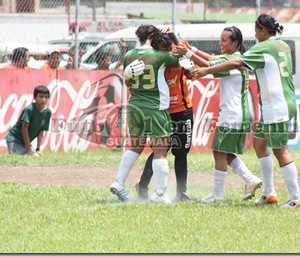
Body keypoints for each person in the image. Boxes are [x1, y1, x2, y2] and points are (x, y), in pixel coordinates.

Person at [190, 14, 300, 208]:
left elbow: (237, 63)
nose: (255, 35)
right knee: (259, 144)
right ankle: (269, 193)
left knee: (281, 151)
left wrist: (205, 71)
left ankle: (296, 198)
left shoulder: (263, 47)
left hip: (277, 106)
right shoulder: (283, 45)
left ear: (263, 30)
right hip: (278, 104)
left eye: (256, 31)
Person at [176, 26, 262, 203]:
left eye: (224, 40)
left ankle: (218, 195)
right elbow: (212, 58)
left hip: (232, 113)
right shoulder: (234, 58)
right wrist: (190, 49)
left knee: (219, 151)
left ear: (235, 43)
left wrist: (187, 54)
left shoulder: (233, 61)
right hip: (238, 113)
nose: (220, 43)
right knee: (225, 152)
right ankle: (250, 179)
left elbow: (208, 65)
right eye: (220, 40)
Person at [109, 24, 184, 204]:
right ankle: (159, 194)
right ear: (152, 36)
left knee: (135, 147)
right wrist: (173, 37)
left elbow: (127, 78)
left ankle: (119, 183)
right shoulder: (160, 55)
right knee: (160, 151)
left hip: (134, 105)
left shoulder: (128, 55)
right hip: (155, 107)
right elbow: (182, 54)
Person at [135, 30, 194, 202]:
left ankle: (181, 193)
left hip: (183, 111)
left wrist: (175, 38)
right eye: (161, 49)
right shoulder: (151, 61)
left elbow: (191, 73)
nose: (165, 53)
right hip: (161, 112)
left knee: (181, 152)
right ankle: (142, 185)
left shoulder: (177, 55)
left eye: (167, 48)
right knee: (160, 151)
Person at [5, 85, 51, 156]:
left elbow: (41, 130)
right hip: (14, 140)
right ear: (35, 97)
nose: (44, 99)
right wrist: (29, 150)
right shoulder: (29, 109)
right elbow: (24, 129)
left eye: (46, 97)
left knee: (35, 157)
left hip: (25, 142)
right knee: (25, 157)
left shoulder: (48, 112)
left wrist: (38, 148)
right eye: (41, 96)